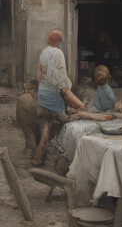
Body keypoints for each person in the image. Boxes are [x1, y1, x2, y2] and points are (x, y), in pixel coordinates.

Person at [32, 29, 85, 166]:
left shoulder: (44, 52)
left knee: (46, 126)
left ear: (49, 40)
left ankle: (37, 158)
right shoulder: (58, 53)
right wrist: (77, 102)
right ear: (59, 42)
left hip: (42, 96)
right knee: (69, 124)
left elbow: (41, 75)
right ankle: (69, 159)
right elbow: (61, 80)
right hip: (53, 99)